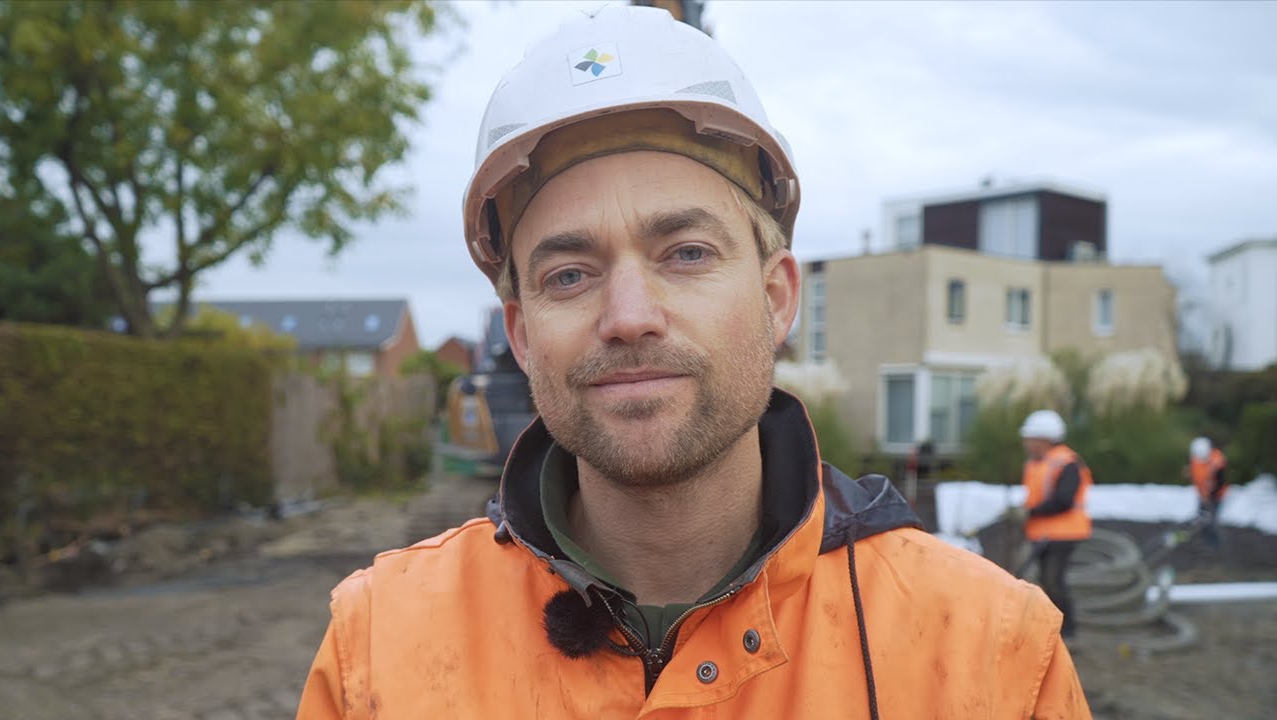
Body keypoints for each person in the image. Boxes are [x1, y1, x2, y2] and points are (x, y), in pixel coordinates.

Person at [297, 7, 1090, 718]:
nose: (629, 318)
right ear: (522, 334)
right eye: (569, 274)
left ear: (779, 297)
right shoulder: (379, 649)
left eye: (686, 252)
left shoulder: (993, 659)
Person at [1015, 409, 1093, 643]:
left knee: (1053, 581)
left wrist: (1030, 512)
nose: (1025, 443)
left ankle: (1068, 632)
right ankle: (1055, 629)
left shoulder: (1067, 463)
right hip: (1043, 532)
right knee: (1046, 582)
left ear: (1044, 439)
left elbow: (1064, 500)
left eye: (1030, 438)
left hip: (1064, 533)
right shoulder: (1036, 464)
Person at [1188, 436, 1227, 547]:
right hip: (1203, 495)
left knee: (1211, 520)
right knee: (1201, 518)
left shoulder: (1217, 462)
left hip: (1216, 496)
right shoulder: (1196, 461)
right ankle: (1204, 542)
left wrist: (1211, 497)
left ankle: (1215, 545)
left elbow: (1220, 482)